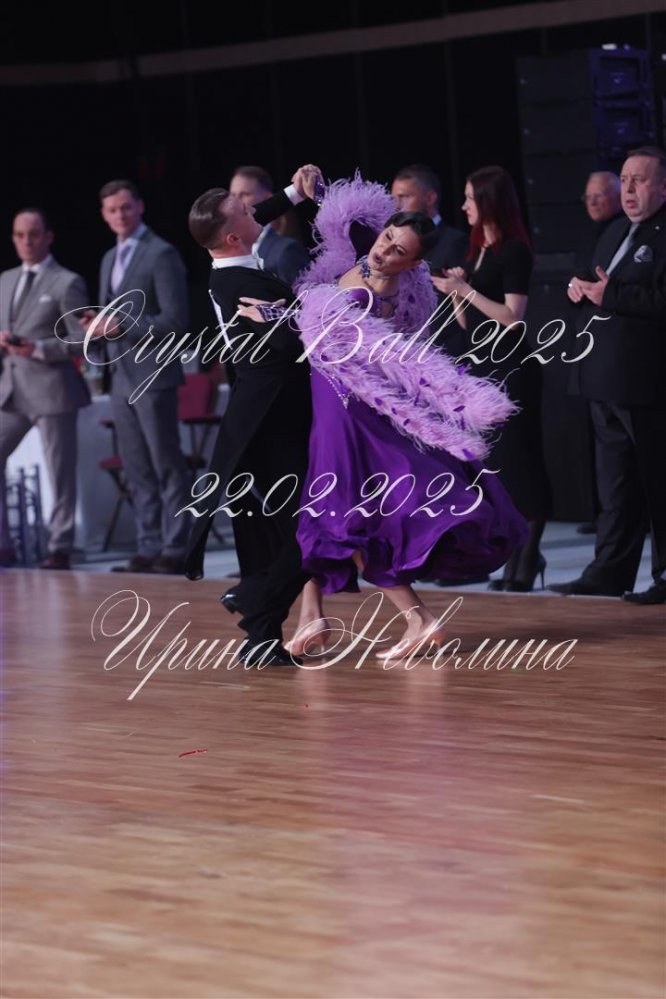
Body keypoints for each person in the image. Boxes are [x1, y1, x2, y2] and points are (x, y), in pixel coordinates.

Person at [248, 177, 526, 661]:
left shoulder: (374, 297)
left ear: (413, 264)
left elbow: (315, 328)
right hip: (332, 406)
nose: (383, 252)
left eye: (398, 251)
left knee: (344, 519)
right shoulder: (364, 265)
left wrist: (271, 315)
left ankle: (418, 618)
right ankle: (311, 616)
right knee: (320, 514)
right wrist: (315, 191)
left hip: (347, 412)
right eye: (386, 238)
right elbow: (347, 225)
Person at [184, 165, 321, 667]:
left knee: (273, 531)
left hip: (260, 416)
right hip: (271, 421)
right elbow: (288, 346)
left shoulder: (230, 260)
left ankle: (260, 639)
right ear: (232, 235)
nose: (253, 208)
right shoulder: (241, 285)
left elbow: (255, 216)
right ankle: (255, 599)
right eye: (242, 208)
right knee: (312, 530)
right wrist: (298, 315)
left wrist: (295, 192)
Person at [549, 146, 666, 605]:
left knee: (657, 482)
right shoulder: (615, 229)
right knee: (615, 485)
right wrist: (576, 288)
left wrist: (610, 294)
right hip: (603, 375)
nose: (629, 189)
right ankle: (609, 571)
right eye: (625, 179)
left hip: (648, 380)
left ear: (663, 187)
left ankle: (664, 574)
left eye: (640, 180)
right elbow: (590, 280)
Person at [432, 165, 552, 592]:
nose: (464, 205)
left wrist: (466, 291)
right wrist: (455, 292)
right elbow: (471, 323)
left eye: (470, 198)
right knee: (499, 467)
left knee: (521, 461)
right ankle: (520, 552)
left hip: (513, 367)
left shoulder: (514, 250)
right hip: (483, 367)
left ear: (489, 201)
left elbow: (512, 317)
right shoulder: (477, 249)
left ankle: (529, 553)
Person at [83, 179, 192, 574]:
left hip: (154, 375)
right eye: (112, 210)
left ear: (140, 207)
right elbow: (110, 316)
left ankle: (176, 546)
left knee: (166, 463)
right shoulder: (109, 259)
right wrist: (96, 326)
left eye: (126, 207)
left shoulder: (161, 253)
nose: (120, 215)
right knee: (136, 467)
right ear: (104, 214)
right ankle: (148, 546)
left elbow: (175, 321)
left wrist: (121, 325)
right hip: (120, 376)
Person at [0, 208, 90, 569]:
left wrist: (39, 348)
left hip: (53, 390)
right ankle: (4, 544)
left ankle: (60, 545)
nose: (27, 242)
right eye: (20, 235)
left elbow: (83, 338)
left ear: (48, 236)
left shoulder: (66, 282)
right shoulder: (5, 280)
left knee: (59, 472)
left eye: (34, 234)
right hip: (12, 390)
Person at [574, 171, 623, 535]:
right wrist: (574, 288)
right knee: (608, 458)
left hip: (625, 357)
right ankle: (608, 529)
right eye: (587, 196)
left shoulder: (629, 232)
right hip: (595, 357)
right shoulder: (593, 235)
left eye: (599, 195)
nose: (591, 201)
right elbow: (579, 279)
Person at [229, 165, 311, 285]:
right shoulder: (227, 250)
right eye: (232, 195)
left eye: (244, 194)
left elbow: (306, 294)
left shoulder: (286, 252)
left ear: (267, 198)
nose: (236, 202)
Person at [391, 163, 468, 271]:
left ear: (430, 198)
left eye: (404, 197)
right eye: (393, 199)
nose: (396, 206)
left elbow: (457, 282)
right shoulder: (392, 242)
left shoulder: (455, 242)